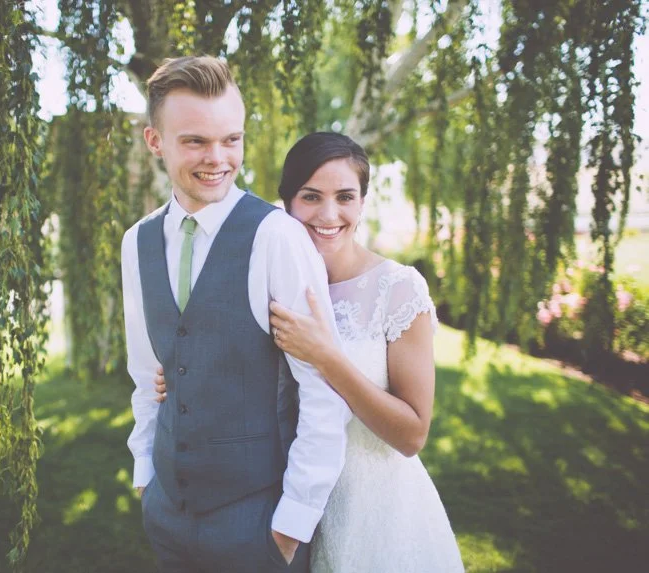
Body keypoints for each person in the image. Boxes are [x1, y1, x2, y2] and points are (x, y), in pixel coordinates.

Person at [156, 132, 465, 572]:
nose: (328, 214)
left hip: (374, 511)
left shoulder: (398, 290)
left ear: (362, 203)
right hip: (283, 498)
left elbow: (412, 435)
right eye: (311, 196)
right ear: (286, 203)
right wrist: (182, 377)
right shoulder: (273, 277)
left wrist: (328, 358)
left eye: (345, 197)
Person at [121, 57, 352, 573]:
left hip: (257, 523)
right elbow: (145, 371)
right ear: (154, 141)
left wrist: (291, 524)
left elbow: (323, 389)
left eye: (232, 139)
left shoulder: (277, 236)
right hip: (166, 516)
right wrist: (144, 471)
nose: (218, 158)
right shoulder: (135, 242)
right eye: (196, 141)